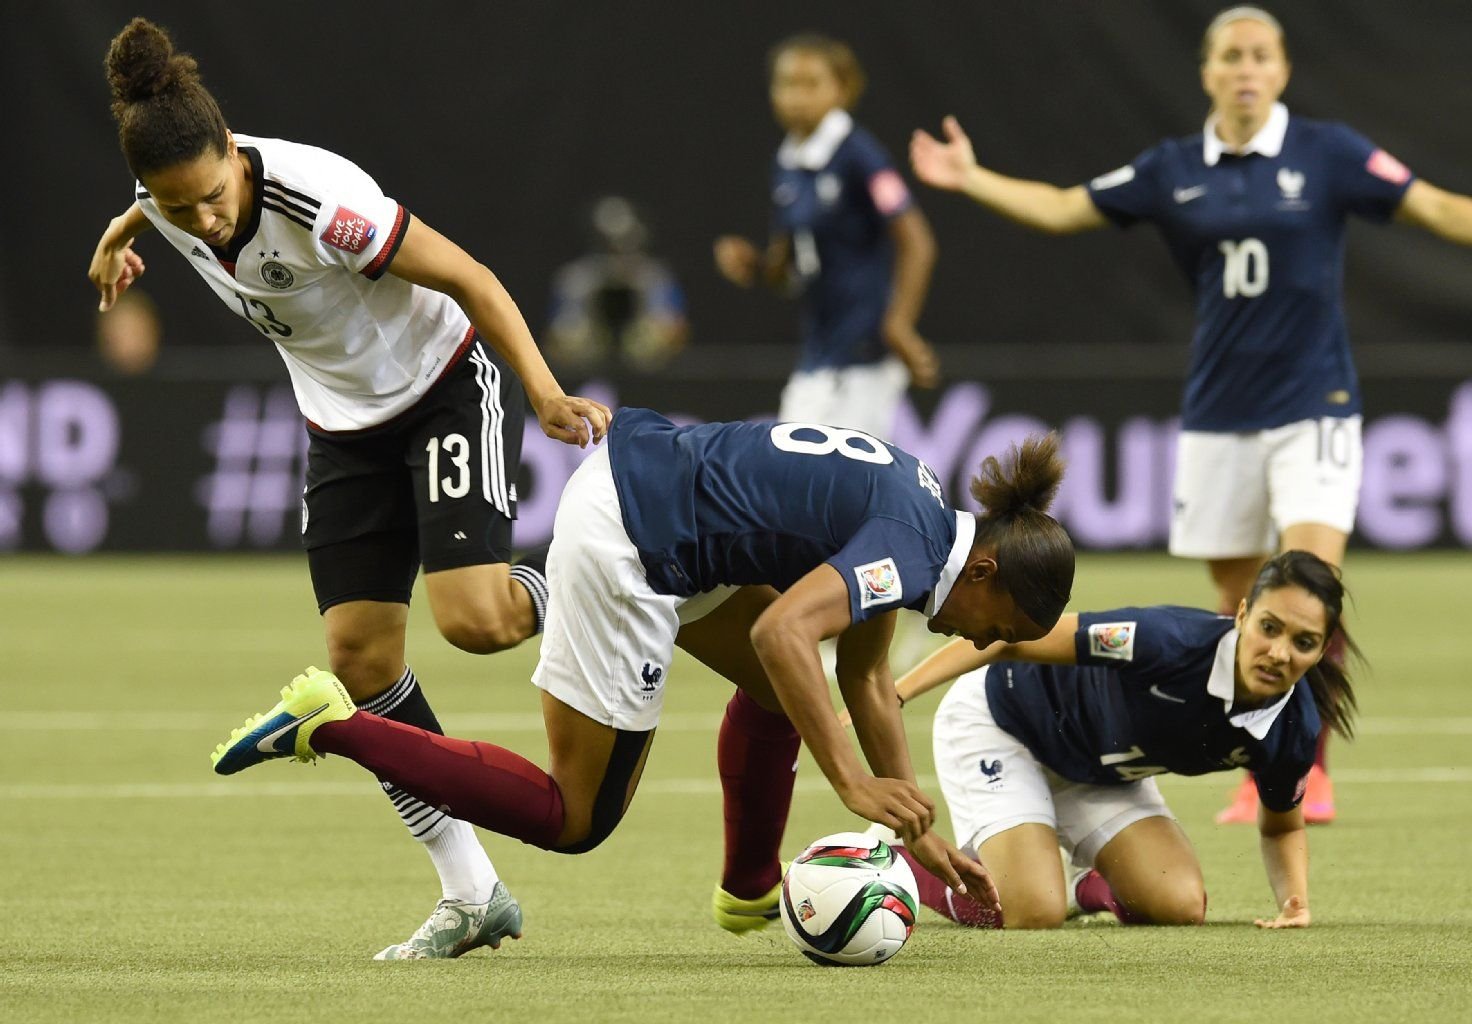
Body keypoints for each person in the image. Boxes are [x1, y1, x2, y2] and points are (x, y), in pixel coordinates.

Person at [88, 18, 611, 960]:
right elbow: (148, 199)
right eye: (176, 206)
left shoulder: (320, 202)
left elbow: (473, 279)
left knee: (478, 624)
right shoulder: (164, 190)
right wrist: (120, 235)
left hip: (441, 388)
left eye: (210, 196)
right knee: (359, 661)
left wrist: (541, 389)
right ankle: (471, 890)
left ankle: (594, 579)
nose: (201, 220)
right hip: (341, 430)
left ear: (235, 157)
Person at [211, 410, 1078, 943]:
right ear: (988, 573)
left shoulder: (925, 516)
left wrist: (919, 831)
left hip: (665, 497)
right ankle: (331, 723)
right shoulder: (911, 548)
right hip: (636, 540)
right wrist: (851, 782)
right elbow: (784, 630)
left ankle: (748, 892)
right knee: (574, 816)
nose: (982, 641)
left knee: (788, 695)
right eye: (997, 631)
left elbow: (860, 676)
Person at [909, 5, 1472, 824]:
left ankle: (1303, 771)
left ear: (1281, 69)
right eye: (1231, 55)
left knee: (1315, 581)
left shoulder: (1330, 153)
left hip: (1316, 406)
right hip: (1217, 414)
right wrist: (971, 177)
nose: (1246, 68)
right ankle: (1256, 753)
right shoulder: (1173, 168)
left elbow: (1441, 210)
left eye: (1261, 55)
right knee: (1241, 604)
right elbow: (1066, 208)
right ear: (1207, 71)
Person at [879, 549, 1356, 930]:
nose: (1278, 653)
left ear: (1322, 648)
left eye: (1303, 642)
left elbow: (1282, 827)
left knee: (1180, 904)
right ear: (1243, 614)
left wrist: (1294, 903)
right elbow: (1012, 637)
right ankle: (896, 866)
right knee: (1032, 912)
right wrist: (895, 693)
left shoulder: (1293, 727)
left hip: (1098, 772)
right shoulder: (1166, 641)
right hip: (1004, 724)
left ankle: (1074, 881)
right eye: (1269, 628)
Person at [714, 33, 939, 441]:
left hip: (864, 355)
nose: (797, 96)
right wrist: (757, 267)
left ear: (843, 89)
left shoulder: (859, 155)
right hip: (819, 351)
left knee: (833, 481)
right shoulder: (788, 162)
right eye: (787, 84)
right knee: (794, 476)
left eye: (811, 84)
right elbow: (789, 268)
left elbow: (917, 240)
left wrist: (899, 324)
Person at [546, 195, 689, 370]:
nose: (617, 249)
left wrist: (651, 335)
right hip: (587, 368)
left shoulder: (655, 278)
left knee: (649, 340)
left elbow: (675, 330)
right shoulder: (576, 279)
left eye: (625, 239)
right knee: (574, 337)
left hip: (647, 371)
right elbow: (557, 337)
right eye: (609, 242)